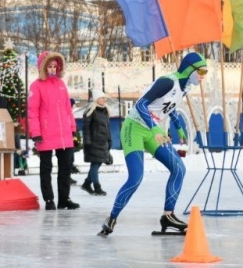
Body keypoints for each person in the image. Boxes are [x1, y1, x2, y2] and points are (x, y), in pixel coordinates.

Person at [99, 51, 208, 236]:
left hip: (152, 131)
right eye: (202, 72)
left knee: (179, 169)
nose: (203, 77)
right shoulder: (167, 81)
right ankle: (112, 217)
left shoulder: (184, 87)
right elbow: (141, 105)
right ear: (190, 70)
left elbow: (169, 106)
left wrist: (178, 126)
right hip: (134, 127)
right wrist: (156, 129)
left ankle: (168, 216)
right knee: (136, 178)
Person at [27, 51, 79, 211]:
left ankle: (64, 198)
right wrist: (35, 133)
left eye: (55, 66)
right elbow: (32, 111)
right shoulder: (36, 86)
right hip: (46, 133)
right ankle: (49, 199)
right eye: (49, 66)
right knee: (46, 168)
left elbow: (67, 109)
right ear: (43, 67)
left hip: (63, 133)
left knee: (65, 167)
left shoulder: (61, 84)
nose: (52, 69)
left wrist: (72, 128)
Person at [79, 92, 111, 197]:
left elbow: (107, 128)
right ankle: (97, 187)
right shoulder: (90, 111)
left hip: (103, 142)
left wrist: (109, 140)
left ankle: (87, 183)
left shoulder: (105, 111)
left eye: (105, 98)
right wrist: (87, 141)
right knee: (95, 164)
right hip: (93, 142)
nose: (104, 100)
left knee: (97, 164)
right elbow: (86, 128)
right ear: (96, 99)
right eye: (102, 98)